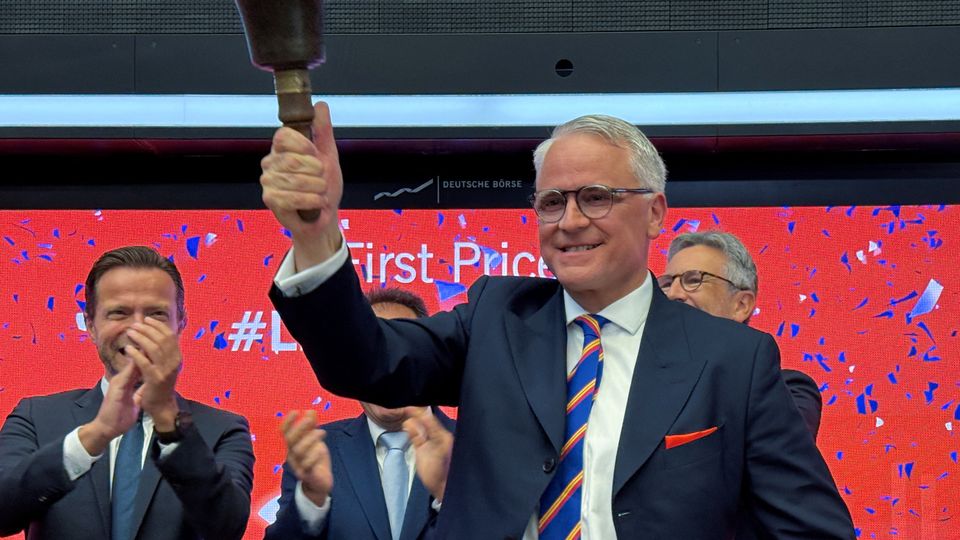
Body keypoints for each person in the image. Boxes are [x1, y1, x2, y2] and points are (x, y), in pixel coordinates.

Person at [262, 102, 855, 539]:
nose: (569, 221)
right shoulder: (497, 317)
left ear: (655, 213)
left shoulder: (733, 360)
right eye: (552, 202)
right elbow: (366, 361)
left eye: (595, 197)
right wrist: (316, 233)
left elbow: (811, 529)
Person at [0, 246, 255, 540]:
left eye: (156, 314)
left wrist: (168, 420)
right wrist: (95, 435)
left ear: (180, 323)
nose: (136, 329)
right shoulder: (36, 417)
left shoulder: (223, 430)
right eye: (119, 313)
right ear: (90, 324)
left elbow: (226, 528)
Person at [264, 288, 456, 540]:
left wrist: (447, 492)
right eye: (371, 356)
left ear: (428, 359)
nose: (387, 370)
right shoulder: (321, 452)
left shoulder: (474, 446)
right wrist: (311, 499)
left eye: (399, 353)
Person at [659, 230, 822, 438]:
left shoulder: (789, 389)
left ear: (741, 305)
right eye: (666, 284)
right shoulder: (638, 382)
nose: (673, 294)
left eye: (693, 280)